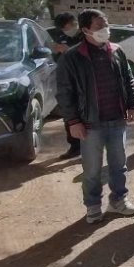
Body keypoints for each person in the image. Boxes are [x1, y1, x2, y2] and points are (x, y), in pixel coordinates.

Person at [56, 9, 134, 224]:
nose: (105, 29)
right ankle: (93, 206)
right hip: (90, 123)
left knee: (119, 165)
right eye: (99, 27)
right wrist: (73, 121)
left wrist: (131, 104)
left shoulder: (117, 51)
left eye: (106, 24)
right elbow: (64, 92)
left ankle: (118, 200)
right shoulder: (72, 57)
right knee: (92, 169)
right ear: (85, 30)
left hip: (117, 120)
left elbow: (128, 79)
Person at [50, 12, 83, 159]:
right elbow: (57, 58)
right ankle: (75, 147)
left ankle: (90, 148)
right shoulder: (62, 37)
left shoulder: (85, 36)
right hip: (67, 82)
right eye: (63, 28)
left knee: (88, 115)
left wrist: (68, 50)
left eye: (67, 26)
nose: (66, 30)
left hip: (84, 81)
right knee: (69, 115)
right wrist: (56, 51)